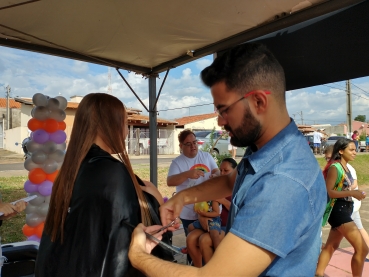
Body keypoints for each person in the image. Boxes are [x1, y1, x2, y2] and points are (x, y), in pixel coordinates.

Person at [128, 43, 326, 276]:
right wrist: (183, 197)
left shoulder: (283, 181)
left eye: (224, 110)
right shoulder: (268, 148)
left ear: (259, 102)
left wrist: (138, 256)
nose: (220, 122)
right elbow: (232, 181)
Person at [35, 93, 172, 277]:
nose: (126, 131)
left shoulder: (72, 171)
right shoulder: (112, 172)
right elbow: (122, 248)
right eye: (124, 122)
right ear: (109, 123)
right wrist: (155, 198)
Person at [316, 138, 368, 277]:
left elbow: (344, 187)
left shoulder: (345, 167)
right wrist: (352, 193)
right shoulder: (335, 167)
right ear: (340, 151)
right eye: (351, 149)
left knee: (331, 246)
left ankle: (318, 274)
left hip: (345, 210)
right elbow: (329, 191)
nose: (355, 152)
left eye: (355, 149)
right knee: (362, 249)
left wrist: (356, 193)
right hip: (338, 212)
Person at [167, 129, 219, 237]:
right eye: (188, 144)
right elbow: (170, 181)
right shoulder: (177, 162)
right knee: (192, 242)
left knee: (207, 241)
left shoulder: (206, 156)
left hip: (208, 209)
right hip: (188, 212)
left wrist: (215, 175)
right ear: (181, 146)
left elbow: (216, 171)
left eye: (195, 142)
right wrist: (187, 174)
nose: (193, 146)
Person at [186, 158, 237, 267]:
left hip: (228, 227)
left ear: (235, 171)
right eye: (221, 170)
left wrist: (222, 200)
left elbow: (239, 211)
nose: (222, 173)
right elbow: (203, 204)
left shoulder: (239, 189)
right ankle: (199, 270)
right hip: (210, 222)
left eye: (226, 171)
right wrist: (201, 217)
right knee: (190, 238)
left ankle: (214, 270)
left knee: (204, 240)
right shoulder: (216, 186)